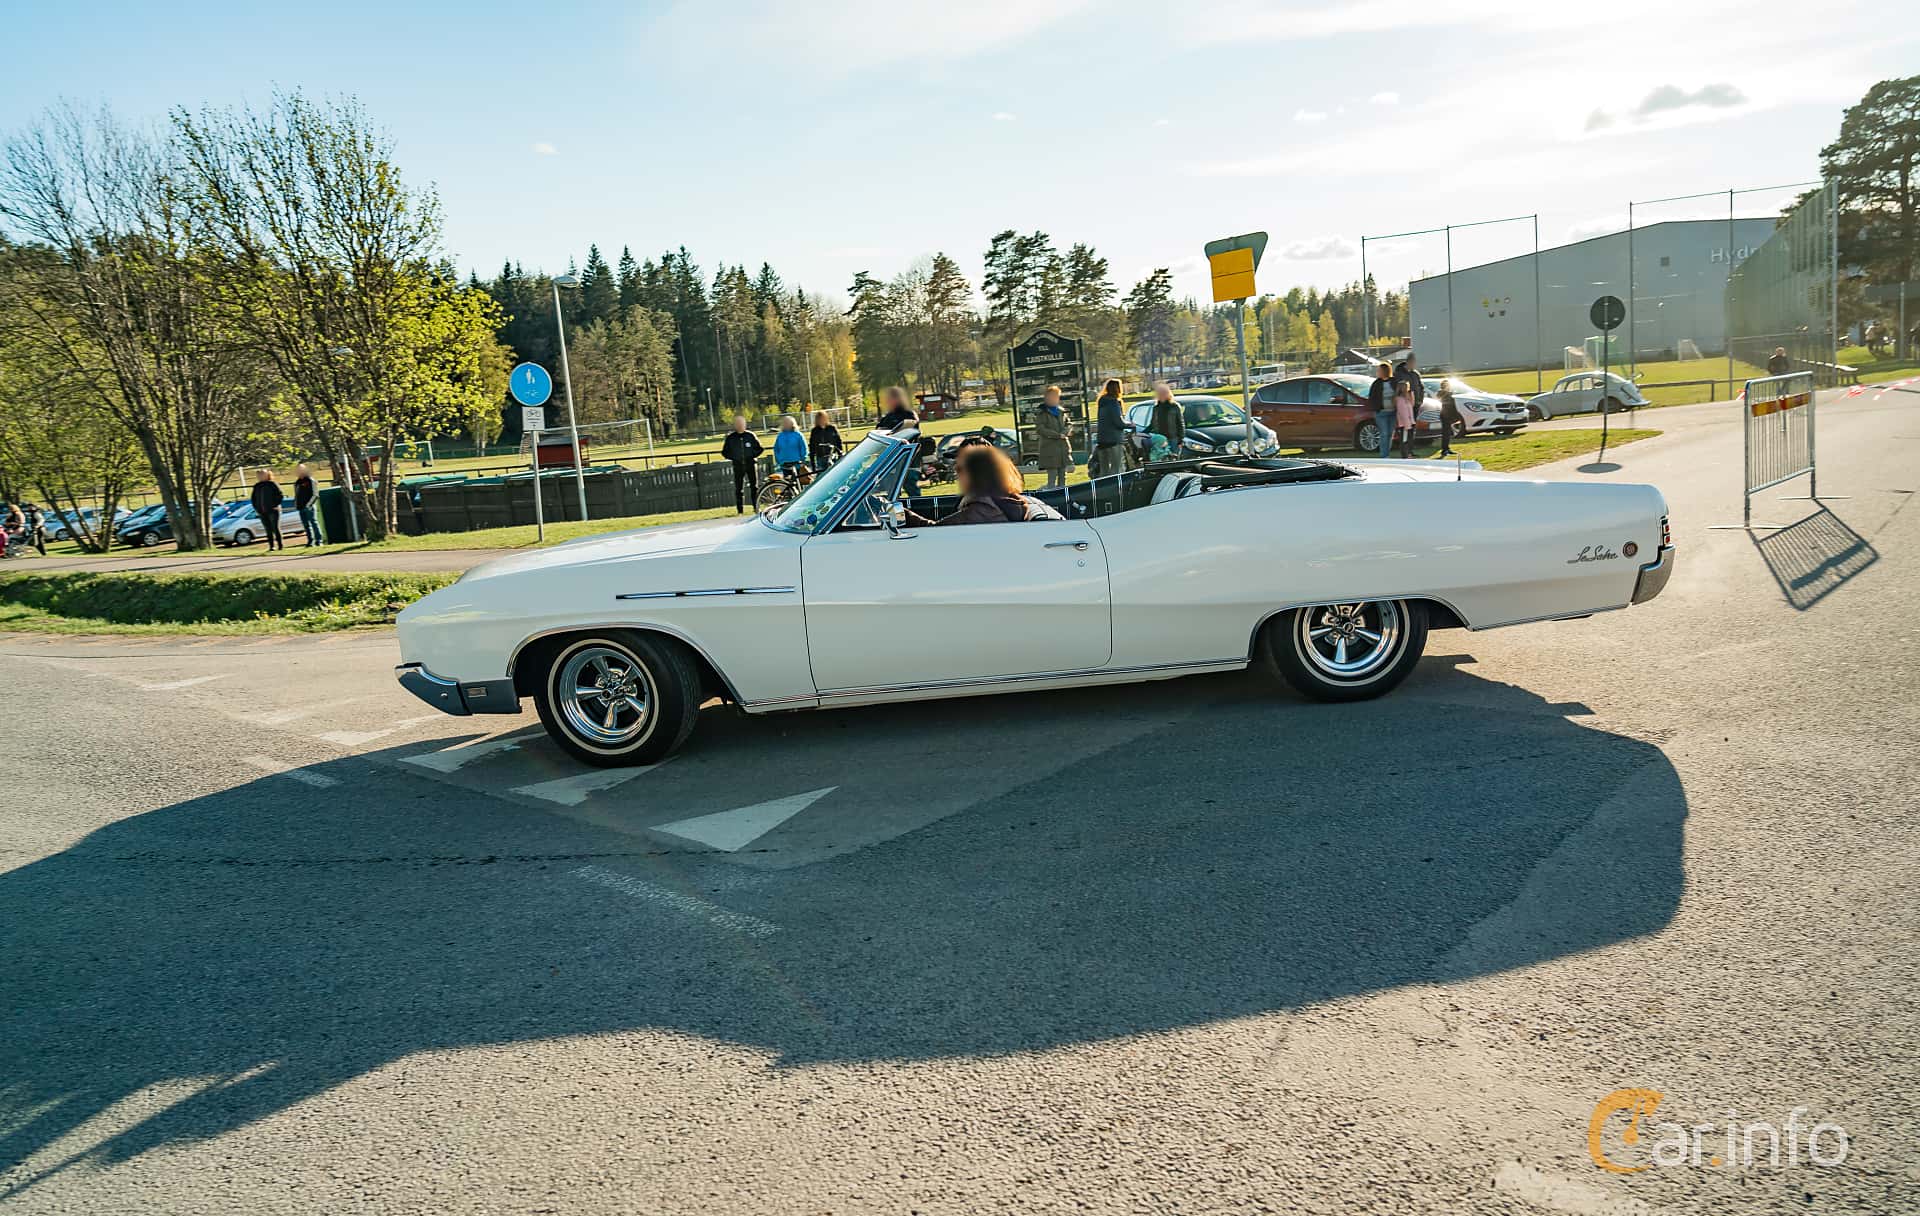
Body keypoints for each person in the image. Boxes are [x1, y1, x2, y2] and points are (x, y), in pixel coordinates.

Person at [904, 444, 1064, 527]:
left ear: (975, 475)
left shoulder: (983, 508)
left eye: (960, 471)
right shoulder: (1007, 498)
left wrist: (903, 515)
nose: (958, 477)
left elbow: (936, 533)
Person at [720, 416, 764, 514]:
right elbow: (724, 452)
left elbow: (760, 449)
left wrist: (752, 456)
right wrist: (735, 457)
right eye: (738, 424)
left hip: (751, 464)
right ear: (735, 425)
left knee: (754, 487)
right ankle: (740, 510)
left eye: (742, 423)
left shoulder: (750, 436)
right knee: (739, 488)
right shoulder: (731, 438)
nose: (740, 426)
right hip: (738, 465)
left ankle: (756, 507)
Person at [1033, 385, 1072, 489]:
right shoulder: (1042, 412)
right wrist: (1057, 435)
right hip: (1050, 450)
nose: (1055, 399)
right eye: (1053, 396)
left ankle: (1063, 497)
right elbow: (1040, 429)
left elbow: (1068, 424)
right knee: (1052, 477)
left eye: (1057, 396)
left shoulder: (1061, 410)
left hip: (1062, 449)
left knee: (1063, 476)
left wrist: (1065, 432)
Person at [1092, 378, 1126, 477]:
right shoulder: (1114, 402)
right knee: (1116, 468)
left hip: (1102, 439)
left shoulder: (1101, 402)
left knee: (1104, 469)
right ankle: (1116, 488)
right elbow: (1118, 422)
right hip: (1114, 440)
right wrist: (1129, 425)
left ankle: (1102, 488)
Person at [250, 468, 286, 551]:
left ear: (267, 475)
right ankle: (271, 546)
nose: (260, 476)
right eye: (259, 475)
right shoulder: (257, 486)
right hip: (262, 511)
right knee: (268, 529)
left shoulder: (272, 484)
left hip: (273, 510)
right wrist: (257, 508)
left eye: (262, 474)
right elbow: (253, 499)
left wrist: (276, 504)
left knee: (275, 528)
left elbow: (280, 495)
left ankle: (280, 545)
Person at [1148, 382, 1186, 460]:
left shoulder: (1174, 406)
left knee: (1174, 459)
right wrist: (1143, 432)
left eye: (1163, 393)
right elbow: (1152, 424)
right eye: (1159, 393)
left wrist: (1181, 439)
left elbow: (1180, 423)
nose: (1161, 395)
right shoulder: (1156, 408)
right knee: (1162, 460)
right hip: (1160, 440)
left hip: (1173, 438)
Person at [1366, 362, 1396, 458]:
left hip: (1393, 412)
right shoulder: (1376, 383)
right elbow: (1371, 397)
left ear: (1385, 371)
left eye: (1379, 370)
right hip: (1381, 413)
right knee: (1384, 433)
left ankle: (1387, 453)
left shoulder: (1394, 381)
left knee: (1390, 434)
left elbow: (1400, 393)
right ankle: (1384, 455)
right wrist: (1376, 407)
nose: (1377, 372)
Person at [293, 462, 321, 546]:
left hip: (309, 506)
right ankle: (310, 541)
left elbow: (315, 494)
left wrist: (309, 505)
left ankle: (319, 541)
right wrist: (296, 503)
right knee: (306, 525)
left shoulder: (310, 480)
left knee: (314, 523)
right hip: (300, 507)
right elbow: (297, 495)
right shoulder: (297, 482)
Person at [1435, 380, 1461, 458]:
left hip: (1449, 414)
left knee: (1448, 433)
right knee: (1445, 433)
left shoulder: (1449, 393)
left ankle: (1447, 448)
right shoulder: (1442, 393)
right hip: (1445, 415)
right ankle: (1444, 449)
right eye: (1446, 385)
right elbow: (1440, 398)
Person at [1393, 371, 1416, 458]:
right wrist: (1407, 425)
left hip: (1410, 422)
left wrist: (1411, 394)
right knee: (1404, 439)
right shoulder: (1400, 400)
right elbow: (1403, 413)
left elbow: (1412, 404)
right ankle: (1405, 454)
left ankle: (1409, 453)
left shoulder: (1407, 399)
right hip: (1404, 424)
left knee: (1409, 439)